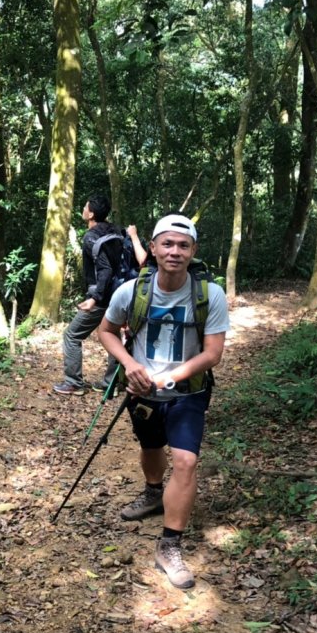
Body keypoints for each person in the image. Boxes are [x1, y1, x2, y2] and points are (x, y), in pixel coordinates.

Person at [98, 214, 229, 589]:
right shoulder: (130, 292)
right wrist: (129, 365)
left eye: (183, 245)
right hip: (141, 391)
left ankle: (169, 545)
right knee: (151, 445)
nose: (174, 251)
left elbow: (213, 354)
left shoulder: (210, 295)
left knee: (185, 461)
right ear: (152, 248)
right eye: (167, 244)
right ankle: (154, 492)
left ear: (193, 252)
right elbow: (106, 332)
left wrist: (170, 376)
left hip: (189, 392)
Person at [53, 195, 125, 396]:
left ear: (91, 214)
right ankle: (113, 382)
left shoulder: (91, 237)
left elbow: (105, 269)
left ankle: (73, 382)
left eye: (85, 207)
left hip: (102, 298)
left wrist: (94, 297)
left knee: (71, 335)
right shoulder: (116, 231)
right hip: (120, 295)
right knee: (112, 335)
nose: (83, 209)